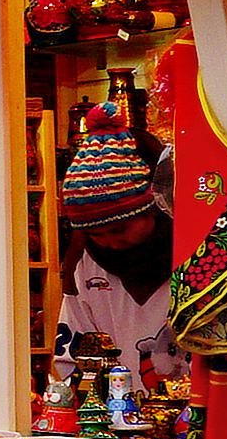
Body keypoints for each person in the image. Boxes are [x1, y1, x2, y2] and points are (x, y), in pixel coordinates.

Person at [56, 99, 183, 385]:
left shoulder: (196, 254)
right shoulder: (85, 265)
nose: (111, 243)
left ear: (155, 208)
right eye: (96, 234)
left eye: (120, 229)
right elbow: (71, 360)